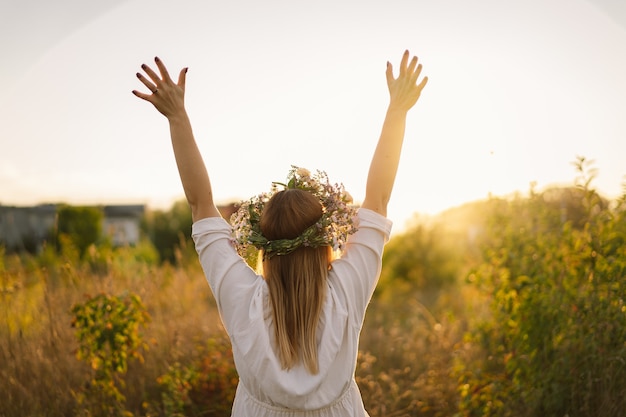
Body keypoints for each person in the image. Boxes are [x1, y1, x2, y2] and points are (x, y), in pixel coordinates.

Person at [133, 50, 428, 416]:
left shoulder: (241, 296)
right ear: (324, 246)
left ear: (265, 249)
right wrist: (397, 110)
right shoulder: (347, 291)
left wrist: (177, 117)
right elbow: (379, 197)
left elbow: (200, 204)